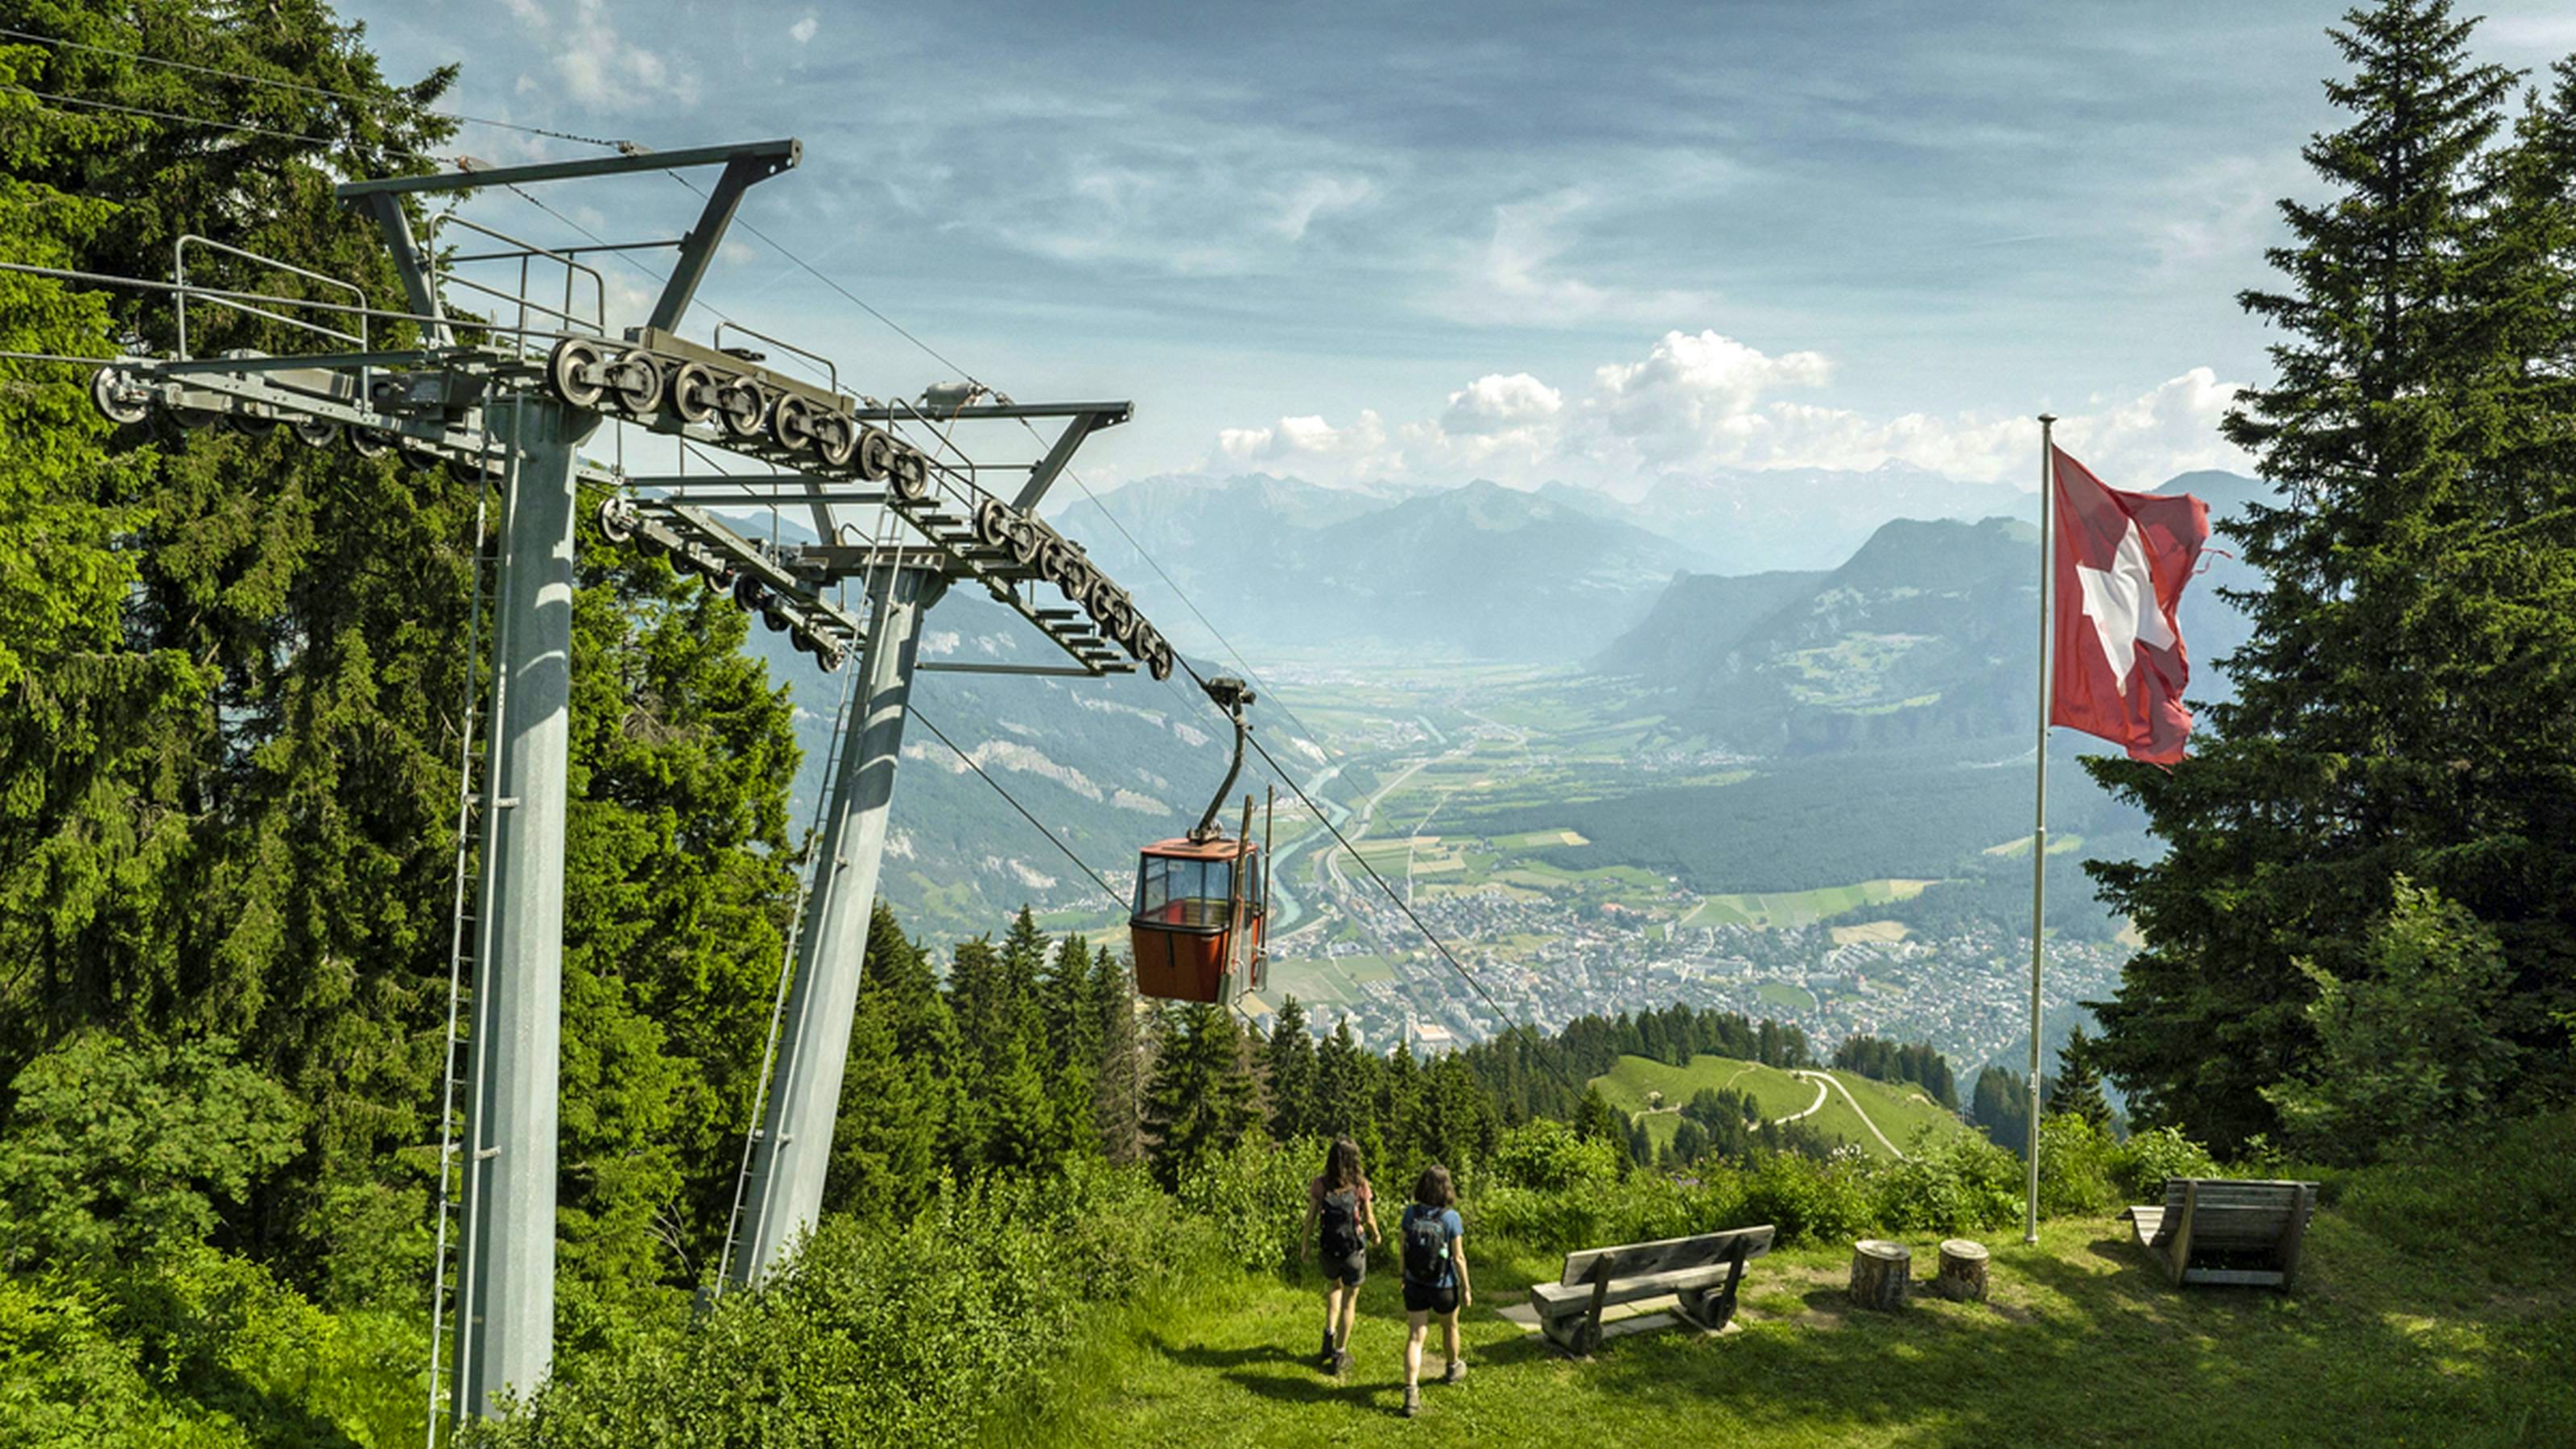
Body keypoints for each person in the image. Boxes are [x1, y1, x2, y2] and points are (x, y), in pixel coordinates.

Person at [1299, 1137, 1380, 1376]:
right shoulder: (1360, 1185)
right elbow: (1369, 1218)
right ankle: (1339, 1353)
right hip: (1353, 1251)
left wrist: (1305, 1244)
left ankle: (1328, 1335)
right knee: (1350, 1300)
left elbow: (1311, 1217)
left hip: (1329, 1250)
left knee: (1335, 1287)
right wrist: (1376, 1235)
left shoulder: (1320, 1183)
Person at [1396, 1163, 1470, 1418]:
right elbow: (1458, 1258)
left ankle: (1411, 1391)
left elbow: (1403, 1247)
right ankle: (1452, 1368)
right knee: (1450, 1327)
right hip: (1444, 1286)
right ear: (1446, 1188)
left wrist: (1402, 1274)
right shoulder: (1451, 1218)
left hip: (1414, 1283)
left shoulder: (1411, 1213)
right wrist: (1467, 1288)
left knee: (1416, 1336)